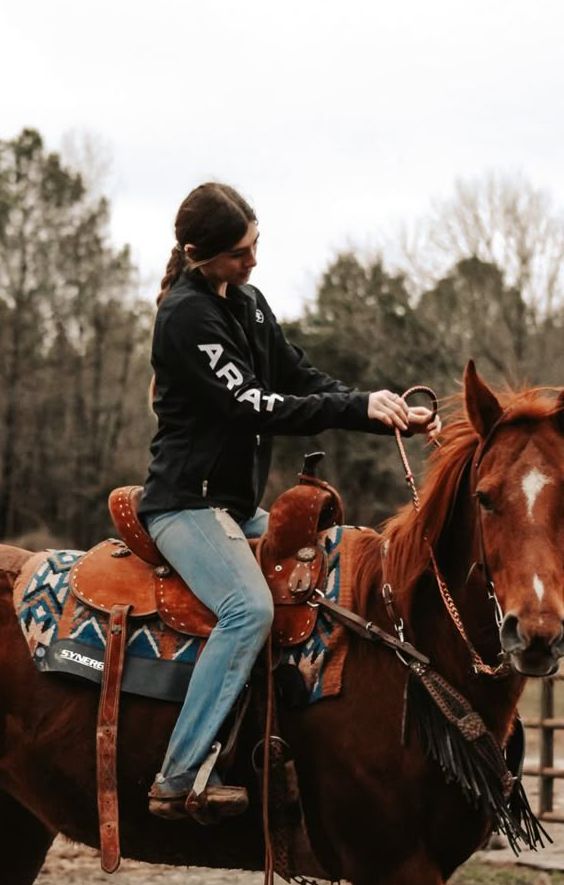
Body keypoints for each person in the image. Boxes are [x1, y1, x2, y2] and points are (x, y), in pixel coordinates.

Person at [139, 182, 440, 823]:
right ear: (198, 253)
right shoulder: (187, 318)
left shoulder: (246, 304)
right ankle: (180, 772)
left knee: (338, 566)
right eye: (240, 253)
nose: (252, 262)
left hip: (235, 504)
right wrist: (355, 408)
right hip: (184, 506)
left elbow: (297, 378)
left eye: (255, 245)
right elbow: (253, 404)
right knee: (246, 609)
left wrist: (381, 409)